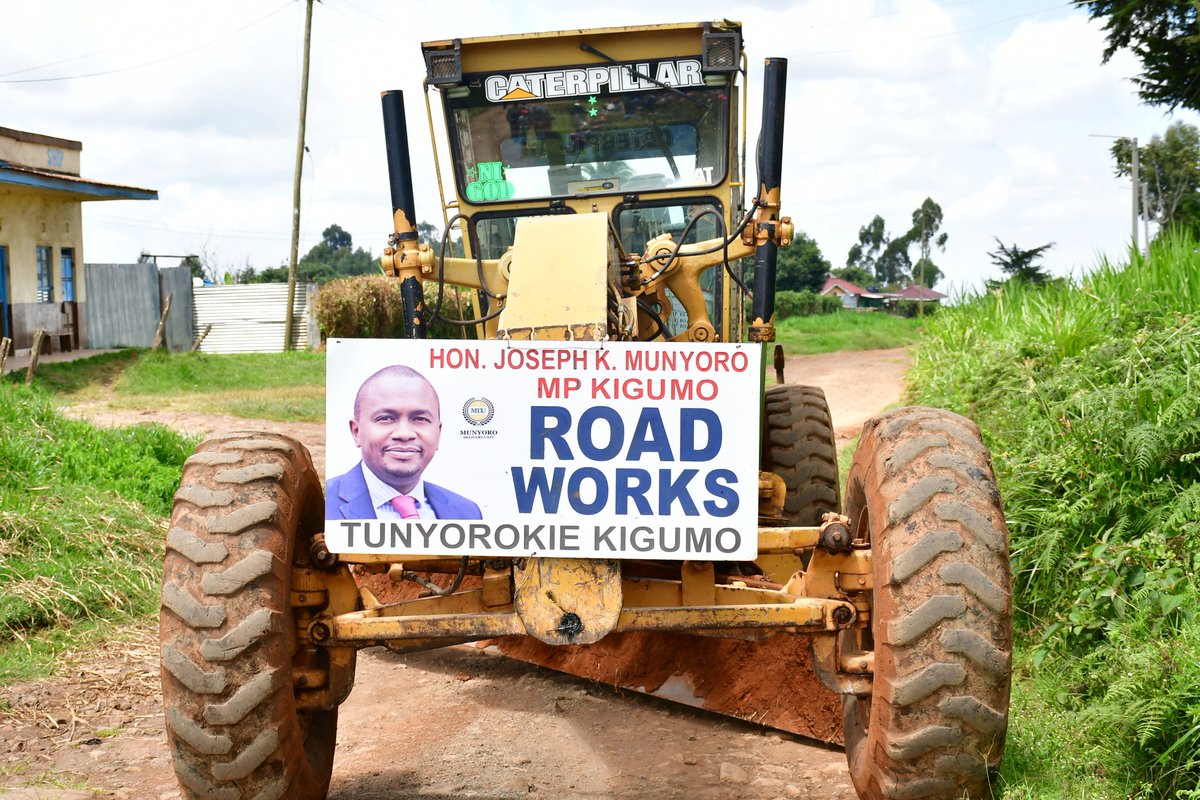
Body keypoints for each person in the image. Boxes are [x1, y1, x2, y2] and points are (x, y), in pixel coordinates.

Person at [326, 364, 481, 520]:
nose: (404, 434)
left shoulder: (467, 513)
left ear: (438, 433)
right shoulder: (324, 505)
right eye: (385, 418)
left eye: (420, 419)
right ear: (356, 431)